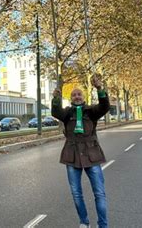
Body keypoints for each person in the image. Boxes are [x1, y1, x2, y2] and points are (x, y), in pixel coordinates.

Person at [51, 74, 110, 228]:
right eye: (74, 95)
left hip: (92, 154)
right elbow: (56, 112)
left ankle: (103, 225)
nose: (77, 97)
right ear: (70, 98)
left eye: (79, 94)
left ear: (84, 97)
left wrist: (100, 89)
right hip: (72, 155)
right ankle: (84, 222)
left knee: (99, 193)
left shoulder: (92, 111)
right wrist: (56, 98)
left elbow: (104, 107)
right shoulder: (67, 113)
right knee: (76, 194)